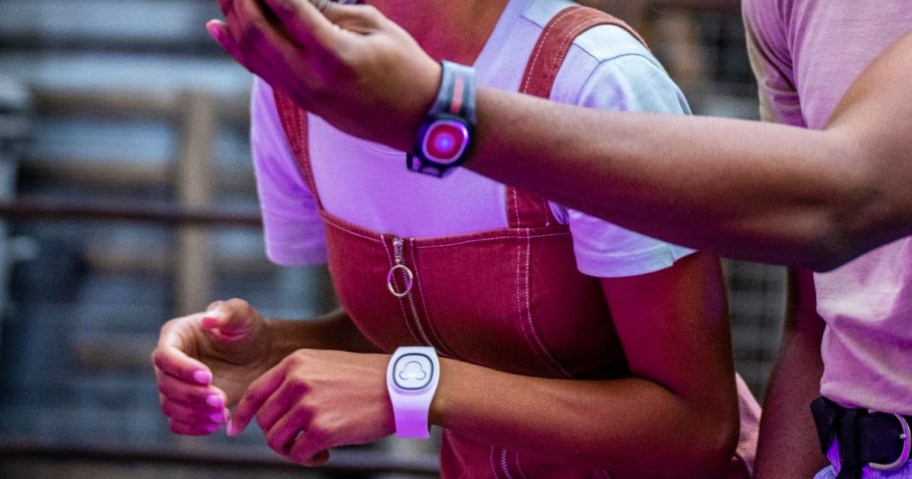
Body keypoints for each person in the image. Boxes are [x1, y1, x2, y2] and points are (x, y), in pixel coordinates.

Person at [201, 0, 912, 478]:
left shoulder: (596, 77)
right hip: (854, 444)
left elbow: (840, 200)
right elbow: (815, 315)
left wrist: (437, 116)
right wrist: (275, 352)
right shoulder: (299, 89)